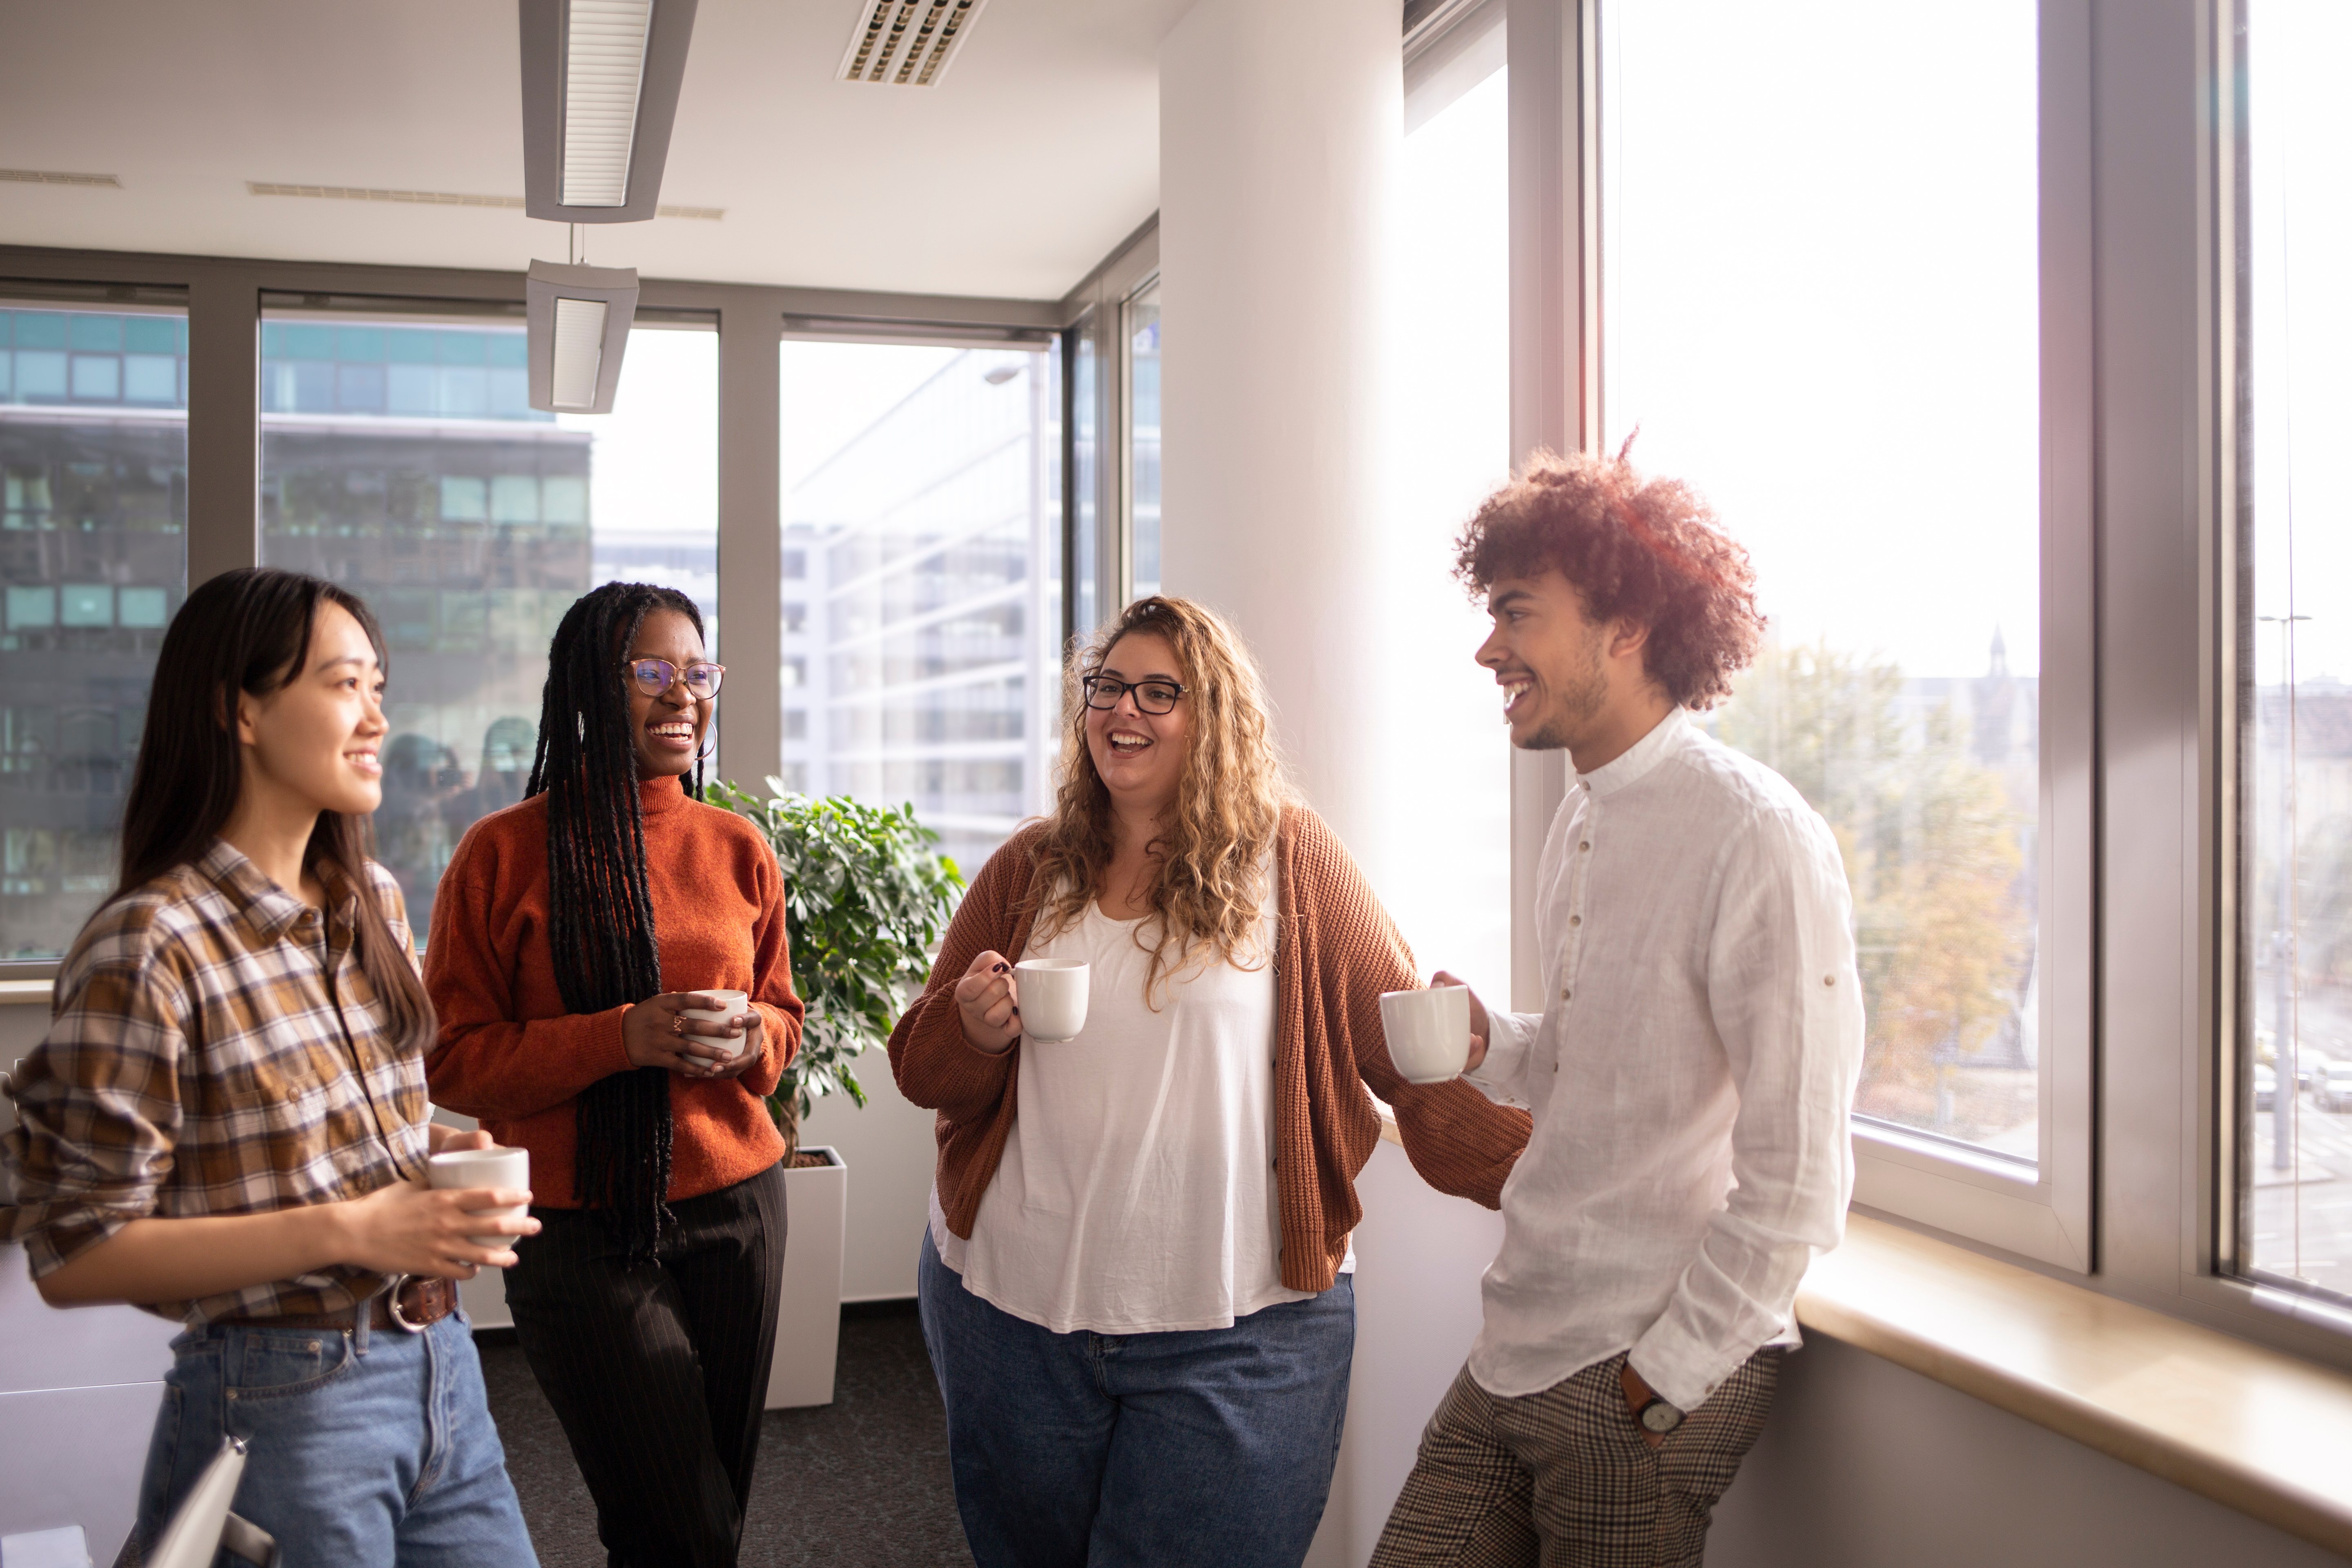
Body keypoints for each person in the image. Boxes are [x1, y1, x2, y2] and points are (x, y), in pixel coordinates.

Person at [891, 594, 1532, 1568]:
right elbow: (921, 1066)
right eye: (1108, 688)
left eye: (1161, 692)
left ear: (1216, 718)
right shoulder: (1031, 866)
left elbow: (1412, 1062)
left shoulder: (1295, 864)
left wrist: (1563, 1186)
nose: (1125, 712)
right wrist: (973, 1031)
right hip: (1009, 1317)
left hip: (1246, 1332)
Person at [1370, 449, 1865, 1568]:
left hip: (1634, 1372)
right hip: (1516, 1341)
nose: (1488, 646)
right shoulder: (1581, 816)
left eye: (1515, 614)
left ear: (1625, 623)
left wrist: (1662, 1385)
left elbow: (1797, 1179)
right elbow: (1600, 1063)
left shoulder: (1758, 837)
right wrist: (1499, 1043)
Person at [0, 567, 539, 1567]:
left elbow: (321, 1121)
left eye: (380, 687)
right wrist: (359, 1226)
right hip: (282, 1397)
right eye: (344, 685)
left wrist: (432, 1151)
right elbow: (79, 1254)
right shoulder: (150, 943)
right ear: (238, 710)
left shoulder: (370, 899)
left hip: (440, 1368)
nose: (377, 718)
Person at [424, 581, 805, 1568]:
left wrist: (751, 1041)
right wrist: (619, 1038)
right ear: (592, 686)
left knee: (707, 1510)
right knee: (680, 1525)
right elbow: (454, 1060)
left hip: (740, 1210)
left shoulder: (736, 846)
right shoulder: (500, 854)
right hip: (584, 1229)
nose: (682, 694)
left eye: (697, 671)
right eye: (651, 671)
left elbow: (784, 1019)